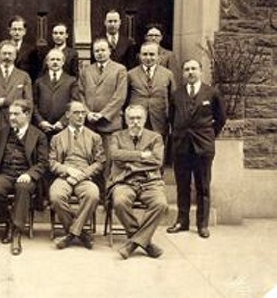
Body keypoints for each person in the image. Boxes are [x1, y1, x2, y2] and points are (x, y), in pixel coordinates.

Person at [167, 59, 226, 238]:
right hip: (181, 146)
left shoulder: (212, 93)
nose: (190, 72)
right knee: (182, 185)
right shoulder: (177, 94)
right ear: (183, 73)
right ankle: (182, 221)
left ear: (200, 71)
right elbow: (172, 118)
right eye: (187, 69)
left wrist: (207, 136)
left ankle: (202, 224)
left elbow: (221, 118)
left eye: (194, 69)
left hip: (203, 147)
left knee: (203, 186)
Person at [0, 99, 48, 255]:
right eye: (10, 114)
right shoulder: (3, 132)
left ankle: (16, 234)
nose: (11, 117)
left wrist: (29, 174)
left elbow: (43, 162)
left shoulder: (39, 135)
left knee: (22, 188)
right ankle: (8, 221)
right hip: (6, 173)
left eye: (16, 114)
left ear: (27, 114)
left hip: (27, 175)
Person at [107, 105, 168, 259]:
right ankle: (145, 243)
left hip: (150, 182)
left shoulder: (155, 137)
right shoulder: (117, 136)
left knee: (160, 204)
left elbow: (157, 161)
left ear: (145, 119)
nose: (135, 122)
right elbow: (115, 155)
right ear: (126, 120)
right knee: (120, 201)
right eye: (132, 118)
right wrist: (141, 155)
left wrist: (130, 164)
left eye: (138, 118)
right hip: (124, 181)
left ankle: (133, 243)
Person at [49, 101, 105, 250]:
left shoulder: (95, 137)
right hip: (64, 176)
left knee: (92, 194)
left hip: (85, 177)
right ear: (67, 115)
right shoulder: (57, 138)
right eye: (76, 113)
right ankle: (81, 233)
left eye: (83, 113)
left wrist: (82, 175)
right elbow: (52, 162)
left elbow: (99, 162)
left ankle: (71, 234)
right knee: (56, 196)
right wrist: (68, 170)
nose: (81, 116)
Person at [80, 38, 127, 166]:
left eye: (103, 50)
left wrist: (103, 114)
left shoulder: (120, 70)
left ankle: (109, 186)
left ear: (109, 51)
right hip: (90, 123)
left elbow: (120, 97)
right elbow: (80, 94)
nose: (100, 53)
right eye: (96, 51)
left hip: (110, 123)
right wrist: (87, 113)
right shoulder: (86, 70)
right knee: (91, 159)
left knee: (110, 160)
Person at [0, 40, 33, 142]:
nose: (7, 57)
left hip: (16, 124)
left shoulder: (23, 76)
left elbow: (29, 102)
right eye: (4, 53)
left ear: (15, 56)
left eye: (10, 54)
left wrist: (25, 124)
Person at [127, 41, 176, 141]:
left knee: (158, 151)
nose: (148, 58)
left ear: (159, 57)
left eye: (152, 54)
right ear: (139, 56)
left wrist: (171, 121)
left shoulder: (167, 74)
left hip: (159, 119)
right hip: (137, 120)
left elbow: (173, 100)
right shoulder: (131, 74)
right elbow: (125, 99)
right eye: (144, 54)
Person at [33, 48, 80, 139]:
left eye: (58, 60)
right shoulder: (39, 81)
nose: (55, 62)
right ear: (47, 62)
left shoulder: (71, 81)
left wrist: (62, 122)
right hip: (43, 129)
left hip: (64, 128)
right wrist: (41, 122)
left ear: (63, 62)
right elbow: (34, 104)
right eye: (52, 59)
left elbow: (74, 103)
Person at [8, 15, 40, 81]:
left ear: (24, 31)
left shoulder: (32, 50)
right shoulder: (3, 48)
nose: (17, 32)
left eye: (20, 29)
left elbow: (34, 73)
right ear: (9, 30)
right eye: (14, 29)